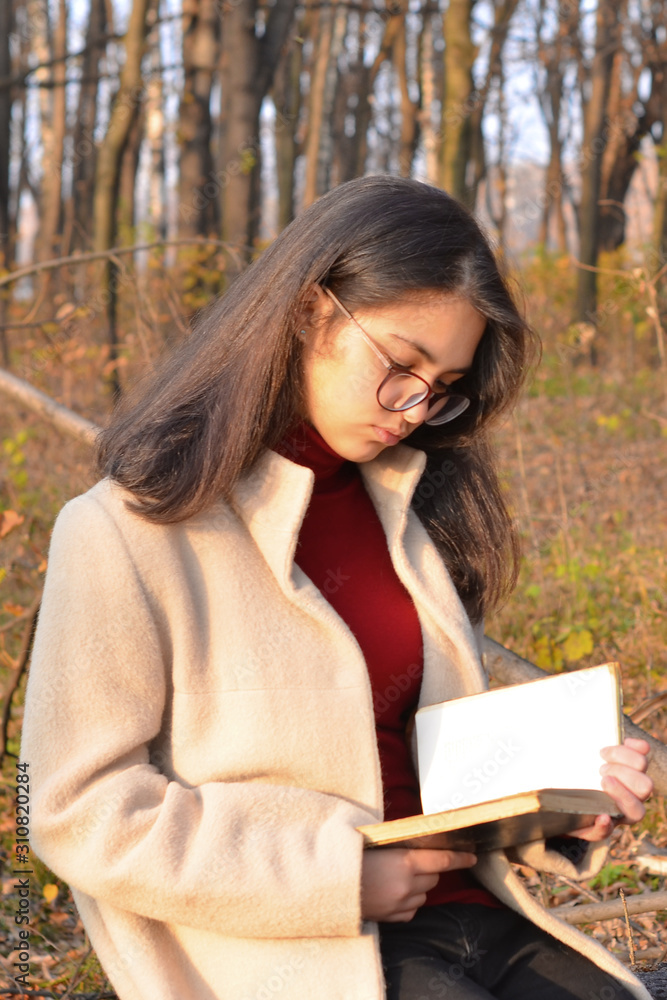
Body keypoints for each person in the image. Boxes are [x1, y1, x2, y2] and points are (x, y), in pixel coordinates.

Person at [21, 175, 653, 1000]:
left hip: (472, 912)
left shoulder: (404, 508)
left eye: (442, 387)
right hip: (292, 953)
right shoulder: (126, 530)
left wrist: (560, 800)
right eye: (401, 365)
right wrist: (336, 873)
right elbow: (69, 807)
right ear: (312, 311)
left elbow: (419, 765)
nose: (413, 407)